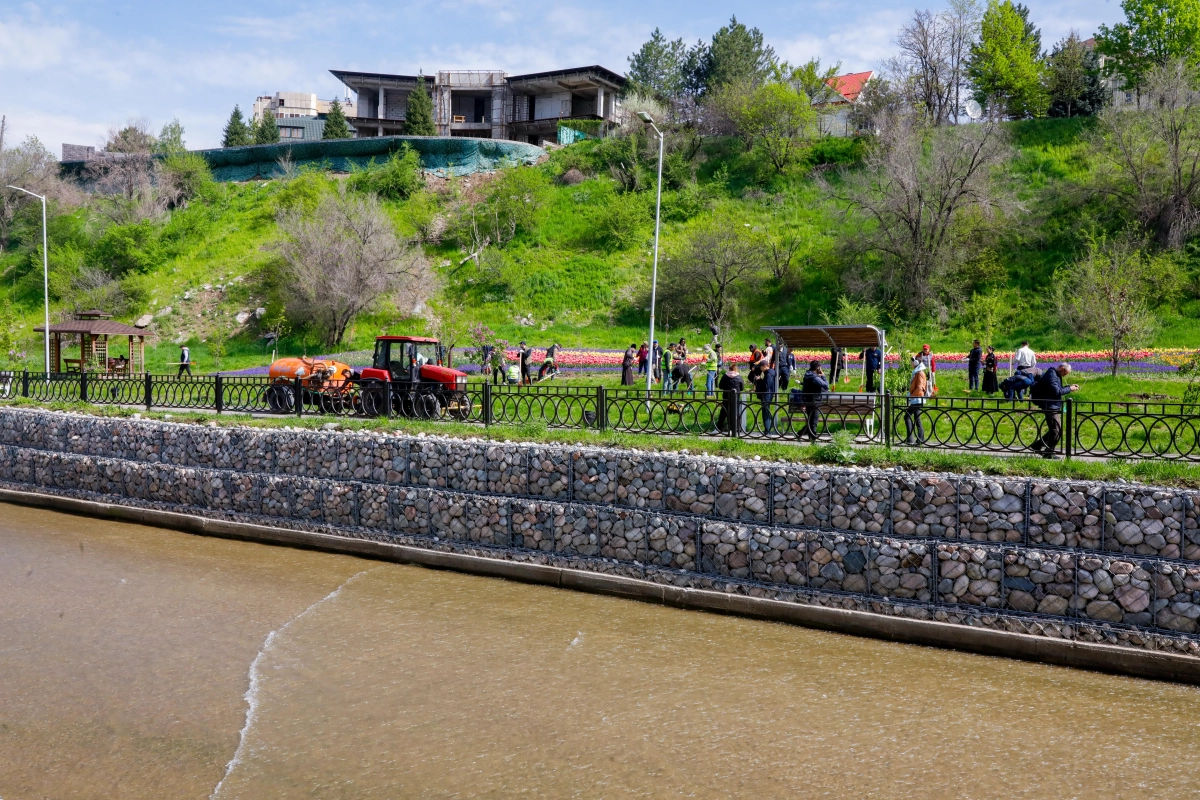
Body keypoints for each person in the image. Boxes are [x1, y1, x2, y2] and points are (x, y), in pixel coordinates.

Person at [1030, 363, 1078, 458]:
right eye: (1065, 372)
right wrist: (1070, 389)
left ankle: (1037, 445)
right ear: (1062, 368)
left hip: (1053, 405)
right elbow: (1057, 392)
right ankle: (1048, 453)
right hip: (1050, 406)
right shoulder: (1051, 374)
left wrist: (1069, 386)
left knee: (1055, 430)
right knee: (1056, 430)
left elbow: (1057, 390)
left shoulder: (1055, 374)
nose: (1065, 375)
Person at [800, 361, 828, 441]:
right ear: (818, 368)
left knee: (810, 420)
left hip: (808, 400)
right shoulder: (815, 378)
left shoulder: (808, 375)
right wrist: (823, 376)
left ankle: (800, 434)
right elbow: (826, 386)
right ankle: (813, 439)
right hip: (815, 401)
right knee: (814, 421)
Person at [716, 363, 745, 433]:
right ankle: (736, 428)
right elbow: (742, 388)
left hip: (726, 397)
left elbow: (720, 386)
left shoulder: (725, 376)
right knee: (736, 412)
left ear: (729, 369)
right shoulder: (739, 377)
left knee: (723, 412)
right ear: (736, 369)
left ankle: (719, 426)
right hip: (735, 397)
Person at [906, 356, 928, 445]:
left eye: (912, 362)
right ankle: (920, 439)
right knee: (917, 419)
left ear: (915, 363)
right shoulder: (917, 372)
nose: (911, 363)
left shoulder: (919, 373)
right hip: (918, 399)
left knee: (907, 416)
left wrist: (911, 396)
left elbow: (919, 388)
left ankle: (910, 439)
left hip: (917, 399)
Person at [754, 356, 777, 434]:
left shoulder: (768, 374)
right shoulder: (770, 373)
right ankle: (768, 428)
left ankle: (767, 430)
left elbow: (766, 386)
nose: (760, 369)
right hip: (768, 394)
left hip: (766, 395)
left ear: (764, 366)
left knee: (765, 413)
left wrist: (759, 380)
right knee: (766, 412)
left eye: (761, 367)